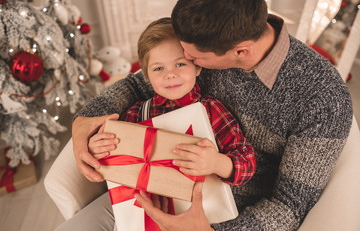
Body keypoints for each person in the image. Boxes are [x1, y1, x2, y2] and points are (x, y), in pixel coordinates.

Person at [71, 0, 353, 230]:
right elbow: (139, 84)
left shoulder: (324, 100)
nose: (186, 61)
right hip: (148, 187)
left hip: (225, 215)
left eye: (192, 58)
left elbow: (289, 206)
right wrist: (86, 119)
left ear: (240, 52)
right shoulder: (212, 37)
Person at [57, 17, 255, 231]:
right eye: (158, 68)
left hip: (197, 216)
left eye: (180, 64)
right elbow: (114, 161)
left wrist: (217, 163)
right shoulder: (135, 114)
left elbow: (247, 162)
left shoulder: (212, 111)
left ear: (197, 67)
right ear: (147, 76)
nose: (170, 74)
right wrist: (99, 149)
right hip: (137, 211)